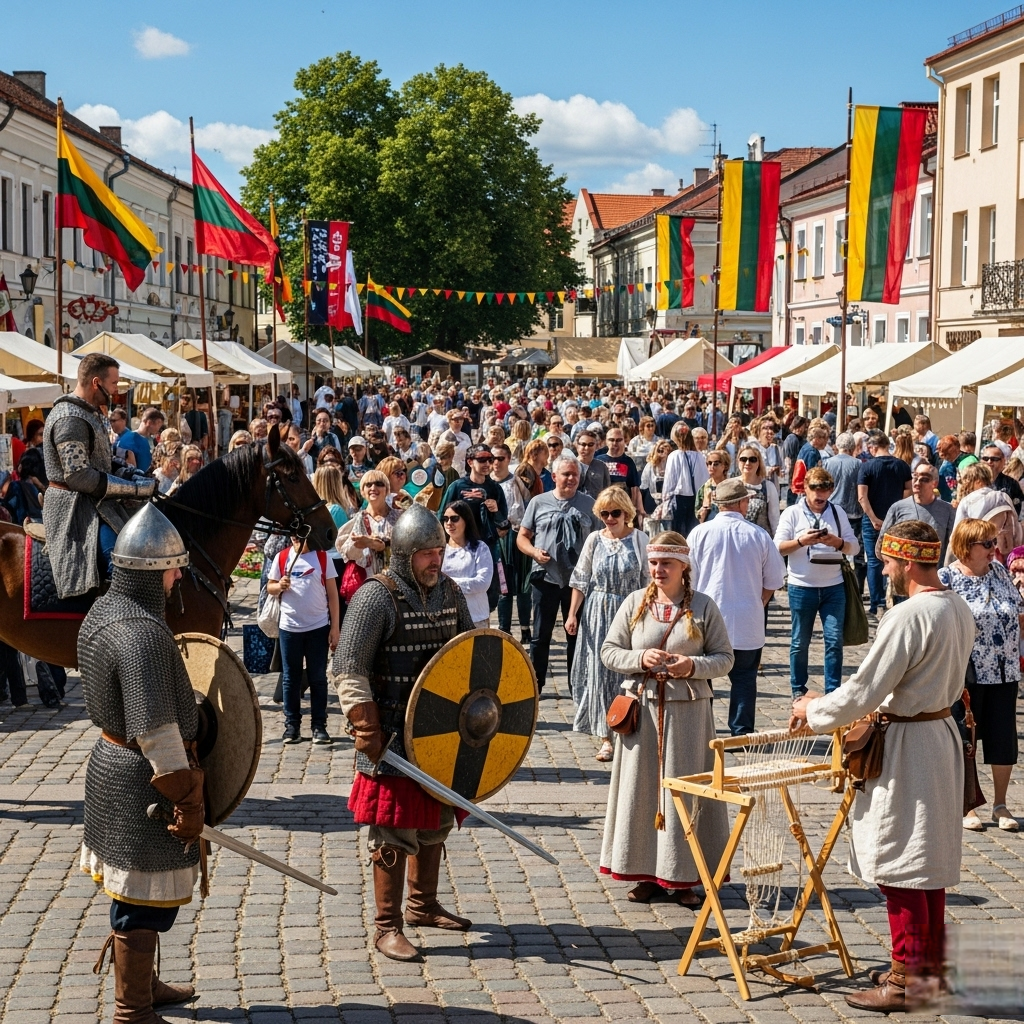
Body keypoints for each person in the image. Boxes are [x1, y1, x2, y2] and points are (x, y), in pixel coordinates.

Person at [791, 521, 975, 1012]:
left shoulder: (909, 615)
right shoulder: (956, 604)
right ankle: (928, 968)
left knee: (902, 862)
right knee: (925, 859)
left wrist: (813, 709)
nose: (884, 569)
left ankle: (907, 980)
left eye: (890, 561)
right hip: (937, 736)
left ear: (910, 561)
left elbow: (865, 689)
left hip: (912, 746)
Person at [329, 504, 474, 961]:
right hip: (389, 737)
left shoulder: (450, 593)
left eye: (439, 551)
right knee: (392, 831)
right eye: (427, 553)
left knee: (435, 824)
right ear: (404, 554)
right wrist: (365, 724)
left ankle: (422, 904)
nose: (436, 560)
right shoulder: (378, 597)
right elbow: (348, 666)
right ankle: (386, 925)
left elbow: (471, 654)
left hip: (440, 737)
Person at [78, 504, 202, 1022]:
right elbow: (155, 729)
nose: (177, 577)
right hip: (141, 777)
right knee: (140, 900)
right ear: (151, 572)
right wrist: (189, 798)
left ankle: (145, 984)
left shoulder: (102, 614)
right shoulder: (143, 635)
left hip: (112, 763)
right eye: (173, 568)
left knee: (138, 894)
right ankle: (133, 1009)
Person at [599, 532, 733, 904]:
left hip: (688, 715)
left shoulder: (703, 607)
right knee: (641, 793)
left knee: (684, 791)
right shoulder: (633, 604)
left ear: (683, 567)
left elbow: (725, 657)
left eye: (666, 563)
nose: (658, 570)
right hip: (641, 713)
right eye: (654, 563)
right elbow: (609, 651)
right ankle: (646, 873)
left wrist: (691, 664)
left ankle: (685, 875)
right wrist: (639, 659)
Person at [42, 353, 157, 598]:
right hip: (75, 511)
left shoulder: (89, 414)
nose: (116, 390)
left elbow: (100, 461)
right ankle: (111, 622)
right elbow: (79, 476)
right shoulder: (69, 418)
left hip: (96, 503)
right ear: (96, 382)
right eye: (113, 384)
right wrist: (134, 489)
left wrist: (131, 474)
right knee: (120, 562)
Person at [939, 519, 1024, 833]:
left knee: (1004, 739)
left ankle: (1001, 804)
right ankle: (968, 804)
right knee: (967, 739)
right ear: (965, 547)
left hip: (1005, 671)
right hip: (968, 671)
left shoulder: (1001, 572)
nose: (994, 549)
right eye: (986, 544)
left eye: (994, 542)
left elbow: (1017, 610)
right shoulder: (947, 578)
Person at [688, 477, 785, 735]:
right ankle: (741, 731)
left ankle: (701, 729)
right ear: (743, 503)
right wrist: (760, 601)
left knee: (703, 677)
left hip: (707, 617)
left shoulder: (699, 533)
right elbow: (775, 579)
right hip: (746, 617)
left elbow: (689, 580)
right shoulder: (758, 534)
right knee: (743, 678)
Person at [565, 486, 650, 761]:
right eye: (604, 513)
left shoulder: (640, 539)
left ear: (627, 513)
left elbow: (648, 581)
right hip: (597, 610)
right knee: (600, 673)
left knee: (626, 671)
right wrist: (572, 614)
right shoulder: (594, 540)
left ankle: (628, 723)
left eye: (615, 513)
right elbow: (581, 578)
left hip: (629, 611)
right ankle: (606, 735)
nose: (610, 518)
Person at [517, 453, 601, 690]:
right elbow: (522, 537)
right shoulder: (538, 502)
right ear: (554, 476)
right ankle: (536, 685)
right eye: (566, 474)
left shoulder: (589, 504)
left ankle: (577, 686)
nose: (572, 478)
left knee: (576, 636)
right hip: (545, 578)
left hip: (578, 581)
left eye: (575, 474)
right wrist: (534, 552)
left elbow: (600, 538)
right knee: (540, 636)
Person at [775, 466, 859, 696]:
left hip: (834, 586)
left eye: (825, 489)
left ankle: (832, 690)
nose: (820, 494)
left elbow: (855, 546)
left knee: (834, 640)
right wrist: (801, 541)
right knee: (800, 642)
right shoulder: (792, 513)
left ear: (831, 490)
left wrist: (837, 542)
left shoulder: (837, 512)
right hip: (802, 586)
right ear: (805, 489)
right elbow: (778, 548)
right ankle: (798, 689)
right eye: (815, 488)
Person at [267, 531, 340, 744]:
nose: (296, 540)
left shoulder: (322, 558)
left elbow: (333, 595)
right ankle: (292, 726)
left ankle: (319, 725)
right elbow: (270, 586)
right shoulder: (282, 558)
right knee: (291, 678)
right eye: (293, 536)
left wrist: (334, 627)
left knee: (318, 678)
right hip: (289, 628)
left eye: (300, 536)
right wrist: (279, 585)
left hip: (317, 627)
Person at [858, 430, 912, 615]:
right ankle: (897, 599)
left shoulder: (867, 467)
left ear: (872, 447)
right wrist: (894, 515)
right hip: (896, 520)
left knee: (874, 561)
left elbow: (862, 497)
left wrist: (873, 518)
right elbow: (908, 493)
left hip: (872, 520)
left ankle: (877, 603)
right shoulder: (902, 466)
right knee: (896, 559)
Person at [491, 443, 533, 644]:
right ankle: (504, 629)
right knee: (503, 585)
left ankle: (525, 628)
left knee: (524, 585)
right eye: (493, 459)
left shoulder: (516, 482)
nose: (496, 463)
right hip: (498, 539)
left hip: (518, 535)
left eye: (500, 458)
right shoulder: (486, 484)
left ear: (508, 459)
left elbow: (528, 505)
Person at [876, 464, 955, 569]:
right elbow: (882, 543)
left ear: (934, 483)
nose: (917, 483)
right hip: (903, 575)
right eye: (915, 477)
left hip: (933, 576)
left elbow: (953, 545)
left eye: (924, 479)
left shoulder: (947, 510)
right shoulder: (898, 508)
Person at [338, 470, 403, 581]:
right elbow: (349, 554)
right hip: (369, 584)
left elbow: (408, 546)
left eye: (379, 484)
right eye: (368, 485)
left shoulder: (400, 516)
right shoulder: (358, 519)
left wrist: (380, 544)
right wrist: (361, 544)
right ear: (362, 491)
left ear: (387, 490)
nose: (373, 488)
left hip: (398, 580)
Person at [441, 499, 494, 629]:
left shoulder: (480, 548)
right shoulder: (439, 550)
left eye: (454, 518)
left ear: (466, 520)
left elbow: (483, 583)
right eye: (445, 519)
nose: (449, 523)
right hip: (446, 619)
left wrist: (450, 584)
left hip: (476, 618)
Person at [663, 431, 709, 537]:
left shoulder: (674, 456)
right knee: (693, 530)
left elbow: (670, 479)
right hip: (695, 498)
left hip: (678, 498)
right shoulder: (699, 456)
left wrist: (665, 498)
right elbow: (704, 478)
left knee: (678, 532)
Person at [599, 427, 644, 523]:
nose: (615, 443)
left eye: (619, 440)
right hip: (603, 507)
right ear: (606, 441)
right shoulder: (598, 460)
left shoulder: (628, 462)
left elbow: (634, 488)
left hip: (621, 509)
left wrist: (634, 510)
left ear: (624, 441)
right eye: (611, 440)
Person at [736, 445, 780, 535]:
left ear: (758, 463)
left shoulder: (768, 487)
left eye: (752, 460)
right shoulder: (730, 485)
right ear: (738, 462)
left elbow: (775, 521)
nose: (747, 463)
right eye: (743, 459)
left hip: (761, 541)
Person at [980, 443, 1024, 517]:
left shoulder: (1012, 484)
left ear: (1003, 461)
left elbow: (1019, 512)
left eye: (994, 459)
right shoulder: (974, 481)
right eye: (986, 458)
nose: (989, 461)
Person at [118, 406, 165, 473]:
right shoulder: (134, 440)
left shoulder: (127, 437)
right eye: (158, 425)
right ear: (149, 422)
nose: (158, 429)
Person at [574, 430, 611, 500]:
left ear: (596, 446)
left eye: (590, 445)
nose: (587, 448)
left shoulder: (601, 466)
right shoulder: (569, 466)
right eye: (583, 444)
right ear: (577, 445)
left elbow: (607, 491)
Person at [695, 450, 729, 524]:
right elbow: (699, 517)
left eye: (716, 464)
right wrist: (706, 505)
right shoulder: (704, 489)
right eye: (709, 463)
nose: (712, 466)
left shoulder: (730, 486)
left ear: (725, 466)